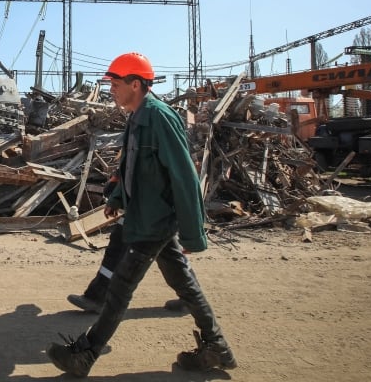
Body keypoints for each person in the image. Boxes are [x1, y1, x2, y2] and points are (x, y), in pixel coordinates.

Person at [47, 52, 237, 377]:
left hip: (155, 221)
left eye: (116, 84)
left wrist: (194, 233)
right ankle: (216, 347)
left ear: (136, 84)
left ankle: (86, 354)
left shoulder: (160, 117)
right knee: (184, 283)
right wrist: (118, 197)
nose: (111, 90)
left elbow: (184, 176)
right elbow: (131, 168)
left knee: (120, 288)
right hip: (144, 216)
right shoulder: (136, 117)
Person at [66, 172, 188, 315]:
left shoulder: (163, 149)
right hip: (144, 205)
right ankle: (190, 299)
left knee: (119, 247)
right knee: (171, 256)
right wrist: (116, 194)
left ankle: (97, 297)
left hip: (151, 206)